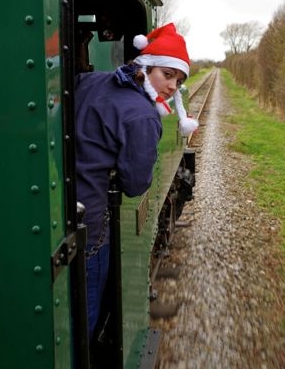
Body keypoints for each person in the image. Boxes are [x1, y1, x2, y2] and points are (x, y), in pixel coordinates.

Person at [74, 22, 199, 338]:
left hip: (61, 204)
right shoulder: (142, 116)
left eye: (179, 80)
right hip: (90, 221)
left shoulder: (91, 80)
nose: (172, 87)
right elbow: (136, 184)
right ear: (145, 67)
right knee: (85, 313)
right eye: (167, 74)